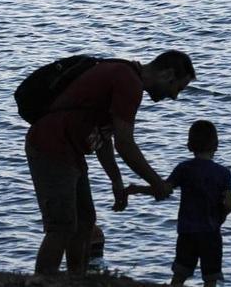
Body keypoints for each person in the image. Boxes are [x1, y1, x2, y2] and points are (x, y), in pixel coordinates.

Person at [24, 50, 196, 275]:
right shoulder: (128, 82)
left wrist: (116, 179)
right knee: (61, 226)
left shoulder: (126, 75)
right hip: (51, 146)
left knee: (85, 221)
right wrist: (157, 183)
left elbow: (104, 136)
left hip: (70, 151)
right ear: (168, 75)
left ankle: (76, 279)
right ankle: (43, 280)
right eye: (178, 89)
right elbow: (125, 144)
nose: (174, 96)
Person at [127, 120, 231, 287]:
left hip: (187, 232)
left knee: (180, 274)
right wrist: (223, 214)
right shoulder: (223, 173)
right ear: (217, 145)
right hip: (211, 233)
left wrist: (138, 189)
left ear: (189, 146)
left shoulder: (184, 168)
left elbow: (163, 190)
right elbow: (228, 203)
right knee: (210, 279)